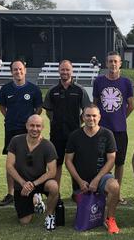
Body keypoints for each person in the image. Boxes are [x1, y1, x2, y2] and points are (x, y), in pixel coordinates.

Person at [65, 104, 121, 234]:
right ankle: (84, 198)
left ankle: (110, 219)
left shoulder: (107, 134)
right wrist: (79, 181)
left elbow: (111, 159)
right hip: (81, 181)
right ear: (83, 117)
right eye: (88, 115)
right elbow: (68, 161)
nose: (91, 118)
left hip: (101, 178)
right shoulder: (75, 135)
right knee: (85, 212)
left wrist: (97, 179)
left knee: (114, 186)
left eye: (94, 115)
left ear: (99, 117)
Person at [0, 59, 43, 206]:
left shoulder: (34, 89)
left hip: (29, 131)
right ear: (11, 72)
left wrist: (29, 124)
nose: (18, 72)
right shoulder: (5, 89)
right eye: (15, 69)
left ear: (25, 70)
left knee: (31, 160)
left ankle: (34, 191)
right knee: (11, 161)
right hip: (11, 129)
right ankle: (10, 193)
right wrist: (11, 118)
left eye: (20, 69)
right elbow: (2, 107)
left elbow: (38, 109)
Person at [93, 51, 134, 204]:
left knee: (119, 162)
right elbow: (95, 104)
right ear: (106, 63)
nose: (113, 64)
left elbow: (131, 106)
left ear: (120, 63)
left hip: (119, 130)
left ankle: (116, 193)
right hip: (102, 130)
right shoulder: (98, 81)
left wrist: (120, 118)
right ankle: (101, 190)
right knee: (101, 162)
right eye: (110, 61)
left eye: (115, 61)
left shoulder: (126, 82)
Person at [43, 60, 91, 190]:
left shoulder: (80, 90)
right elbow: (48, 111)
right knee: (56, 164)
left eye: (67, 69)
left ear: (72, 71)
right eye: (62, 69)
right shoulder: (52, 91)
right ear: (59, 71)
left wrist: (78, 122)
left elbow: (87, 110)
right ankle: (55, 191)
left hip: (75, 134)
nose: (65, 72)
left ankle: (76, 191)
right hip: (56, 134)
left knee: (75, 164)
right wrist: (55, 122)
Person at [6, 114, 59, 230]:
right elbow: (9, 166)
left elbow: (52, 172)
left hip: (39, 182)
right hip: (22, 184)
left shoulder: (48, 145)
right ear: (26, 126)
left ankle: (49, 215)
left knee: (54, 186)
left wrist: (33, 184)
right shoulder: (16, 141)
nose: (35, 129)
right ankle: (36, 201)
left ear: (43, 127)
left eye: (38, 126)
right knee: (24, 221)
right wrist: (23, 183)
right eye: (32, 125)